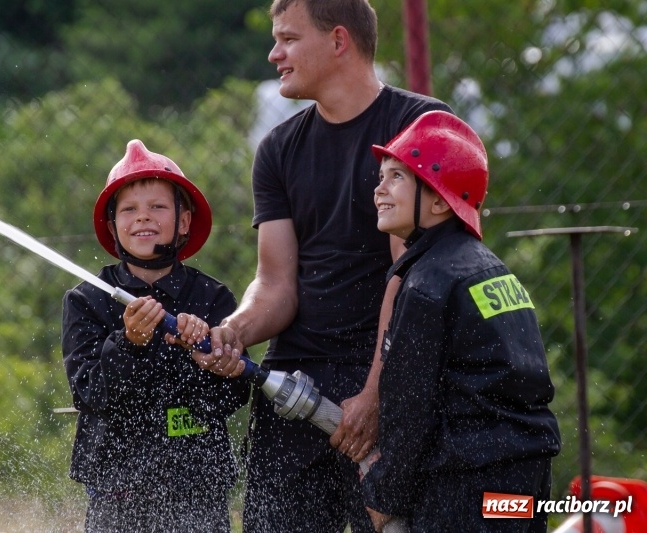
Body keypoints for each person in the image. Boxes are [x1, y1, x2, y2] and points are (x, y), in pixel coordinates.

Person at [201, 0, 453, 531]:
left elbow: (415, 282)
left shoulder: (420, 126)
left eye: (288, 39)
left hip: (389, 386)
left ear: (339, 41)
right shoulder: (277, 149)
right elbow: (275, 285)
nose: (274, 55)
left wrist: (375, 393)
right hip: (293, 387)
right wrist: (234, 331)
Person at [361, 110, 561, 532]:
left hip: (466, 489)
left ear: (437, 199)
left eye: (397, 176)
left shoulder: (427, 283)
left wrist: (384, 494)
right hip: (524, 486)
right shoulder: (493, 270)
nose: (379, 189)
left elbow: (409, 405)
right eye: (382, 176)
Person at [61, 139, 251, 533]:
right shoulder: (86, 300)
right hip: (117, 487)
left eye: (157, 207)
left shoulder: (213, 299)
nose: (142, 218)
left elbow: (234, 394)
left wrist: (208, 359)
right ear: (113, 226)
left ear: (183, 222)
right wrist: (129, 342)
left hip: (197, 485)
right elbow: (89, 392)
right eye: (129, 210)